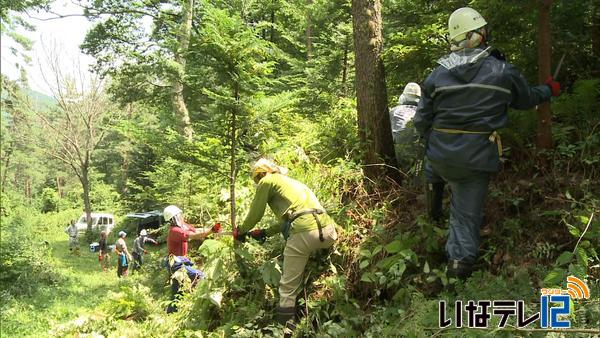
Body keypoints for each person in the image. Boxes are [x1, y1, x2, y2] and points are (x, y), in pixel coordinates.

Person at [414, 7, 560, 280]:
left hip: (440, 156)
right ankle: (458, 268)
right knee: (464, 217)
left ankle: (433, 203)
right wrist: (549, 90)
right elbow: (526, 99)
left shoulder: (436, 76)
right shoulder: (502, 71)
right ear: (477, 35)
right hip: (475, 159)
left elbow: (422, 121)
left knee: (433, 160)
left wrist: (428, 139)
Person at [234, 158, 338, 329]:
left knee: (287, 287)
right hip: (328, 231)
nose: (257, 182)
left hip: (304, 234)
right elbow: (291, 218)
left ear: (260, 174)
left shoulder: (267, 180)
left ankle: (285, 329)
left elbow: (255, 213)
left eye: (256, 179)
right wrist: (265, 232)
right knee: (305, 248)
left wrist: (242, 231)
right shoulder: (292, 183)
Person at [390, 82, 422, 174]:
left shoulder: (393, 112)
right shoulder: (423, 114)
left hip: (396, 157)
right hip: (418, 159)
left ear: (403, 97)